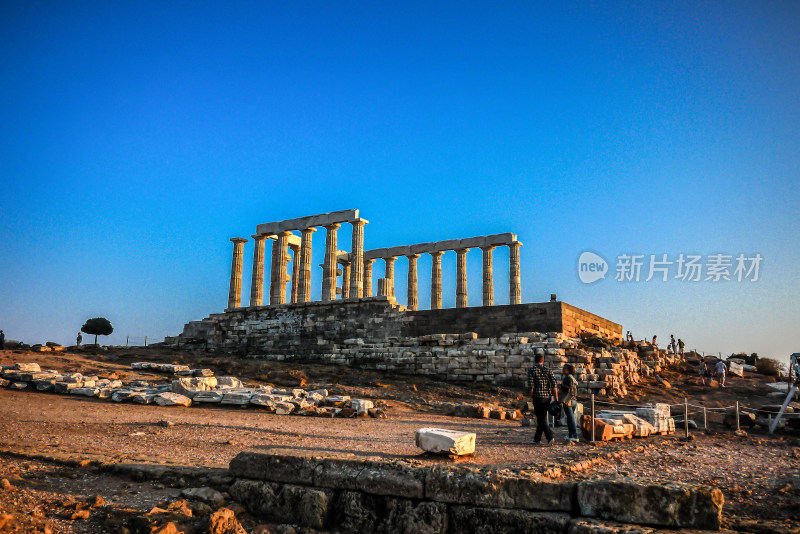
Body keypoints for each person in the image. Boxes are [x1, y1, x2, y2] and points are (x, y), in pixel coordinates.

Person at [526, 353, 558, 446]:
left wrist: (531, 397)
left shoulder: (531, 370)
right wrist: (556, 397)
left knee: (540, 419)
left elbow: (531, 386)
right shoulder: (549, 370)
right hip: (547, 397)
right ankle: (537, 438)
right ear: (543, 360)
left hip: (537, 397)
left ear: (535, 360)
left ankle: (550, 436)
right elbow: (554, 384)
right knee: (542, 417)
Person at [559, 364, 580, 443]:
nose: (563, 370)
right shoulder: (573, 378)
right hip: (574, 400)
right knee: (570, 418)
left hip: (568, 400)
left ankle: (575, 435)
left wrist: (561, 385)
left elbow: (568, 389)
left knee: (571, 418)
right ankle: (571, 435)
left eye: (564, 368)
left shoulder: (567, 378)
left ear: (568, 370)